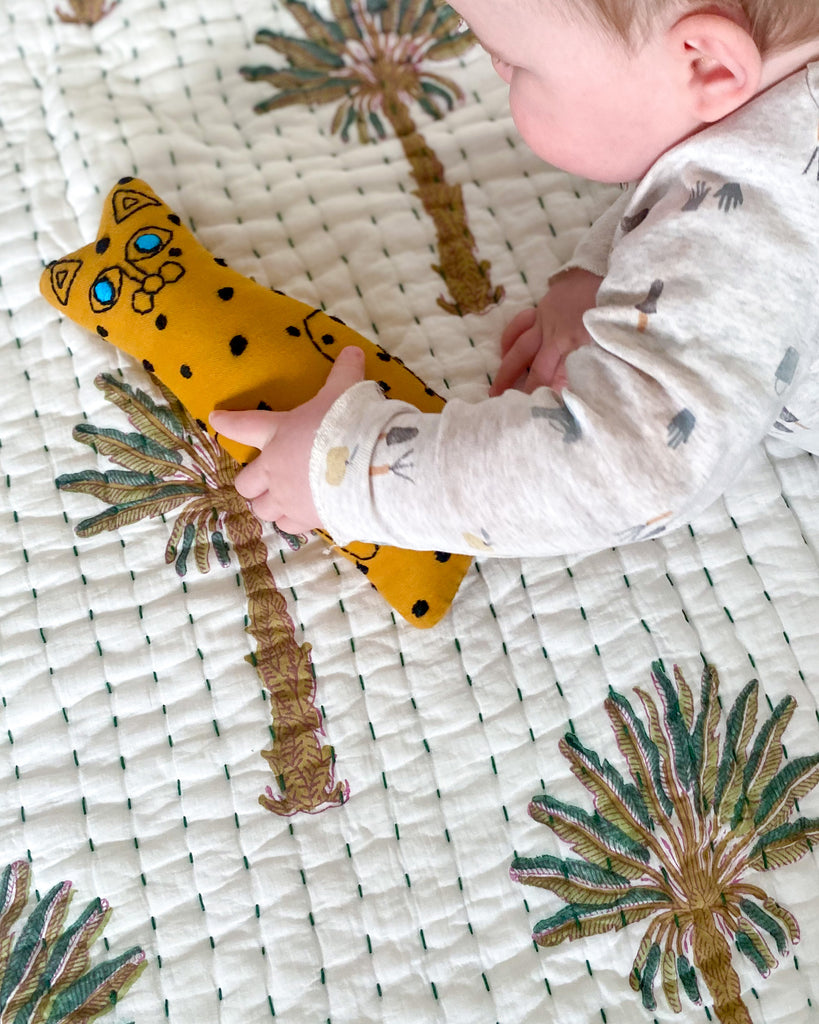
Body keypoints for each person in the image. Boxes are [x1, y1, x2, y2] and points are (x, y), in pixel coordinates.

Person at [210, 0, 819, 557]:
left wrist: (352, 471)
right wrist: (600, 266)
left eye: (516, 61)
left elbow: (631, 466)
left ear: (709, 65)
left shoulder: (756, 226)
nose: (497, 68)